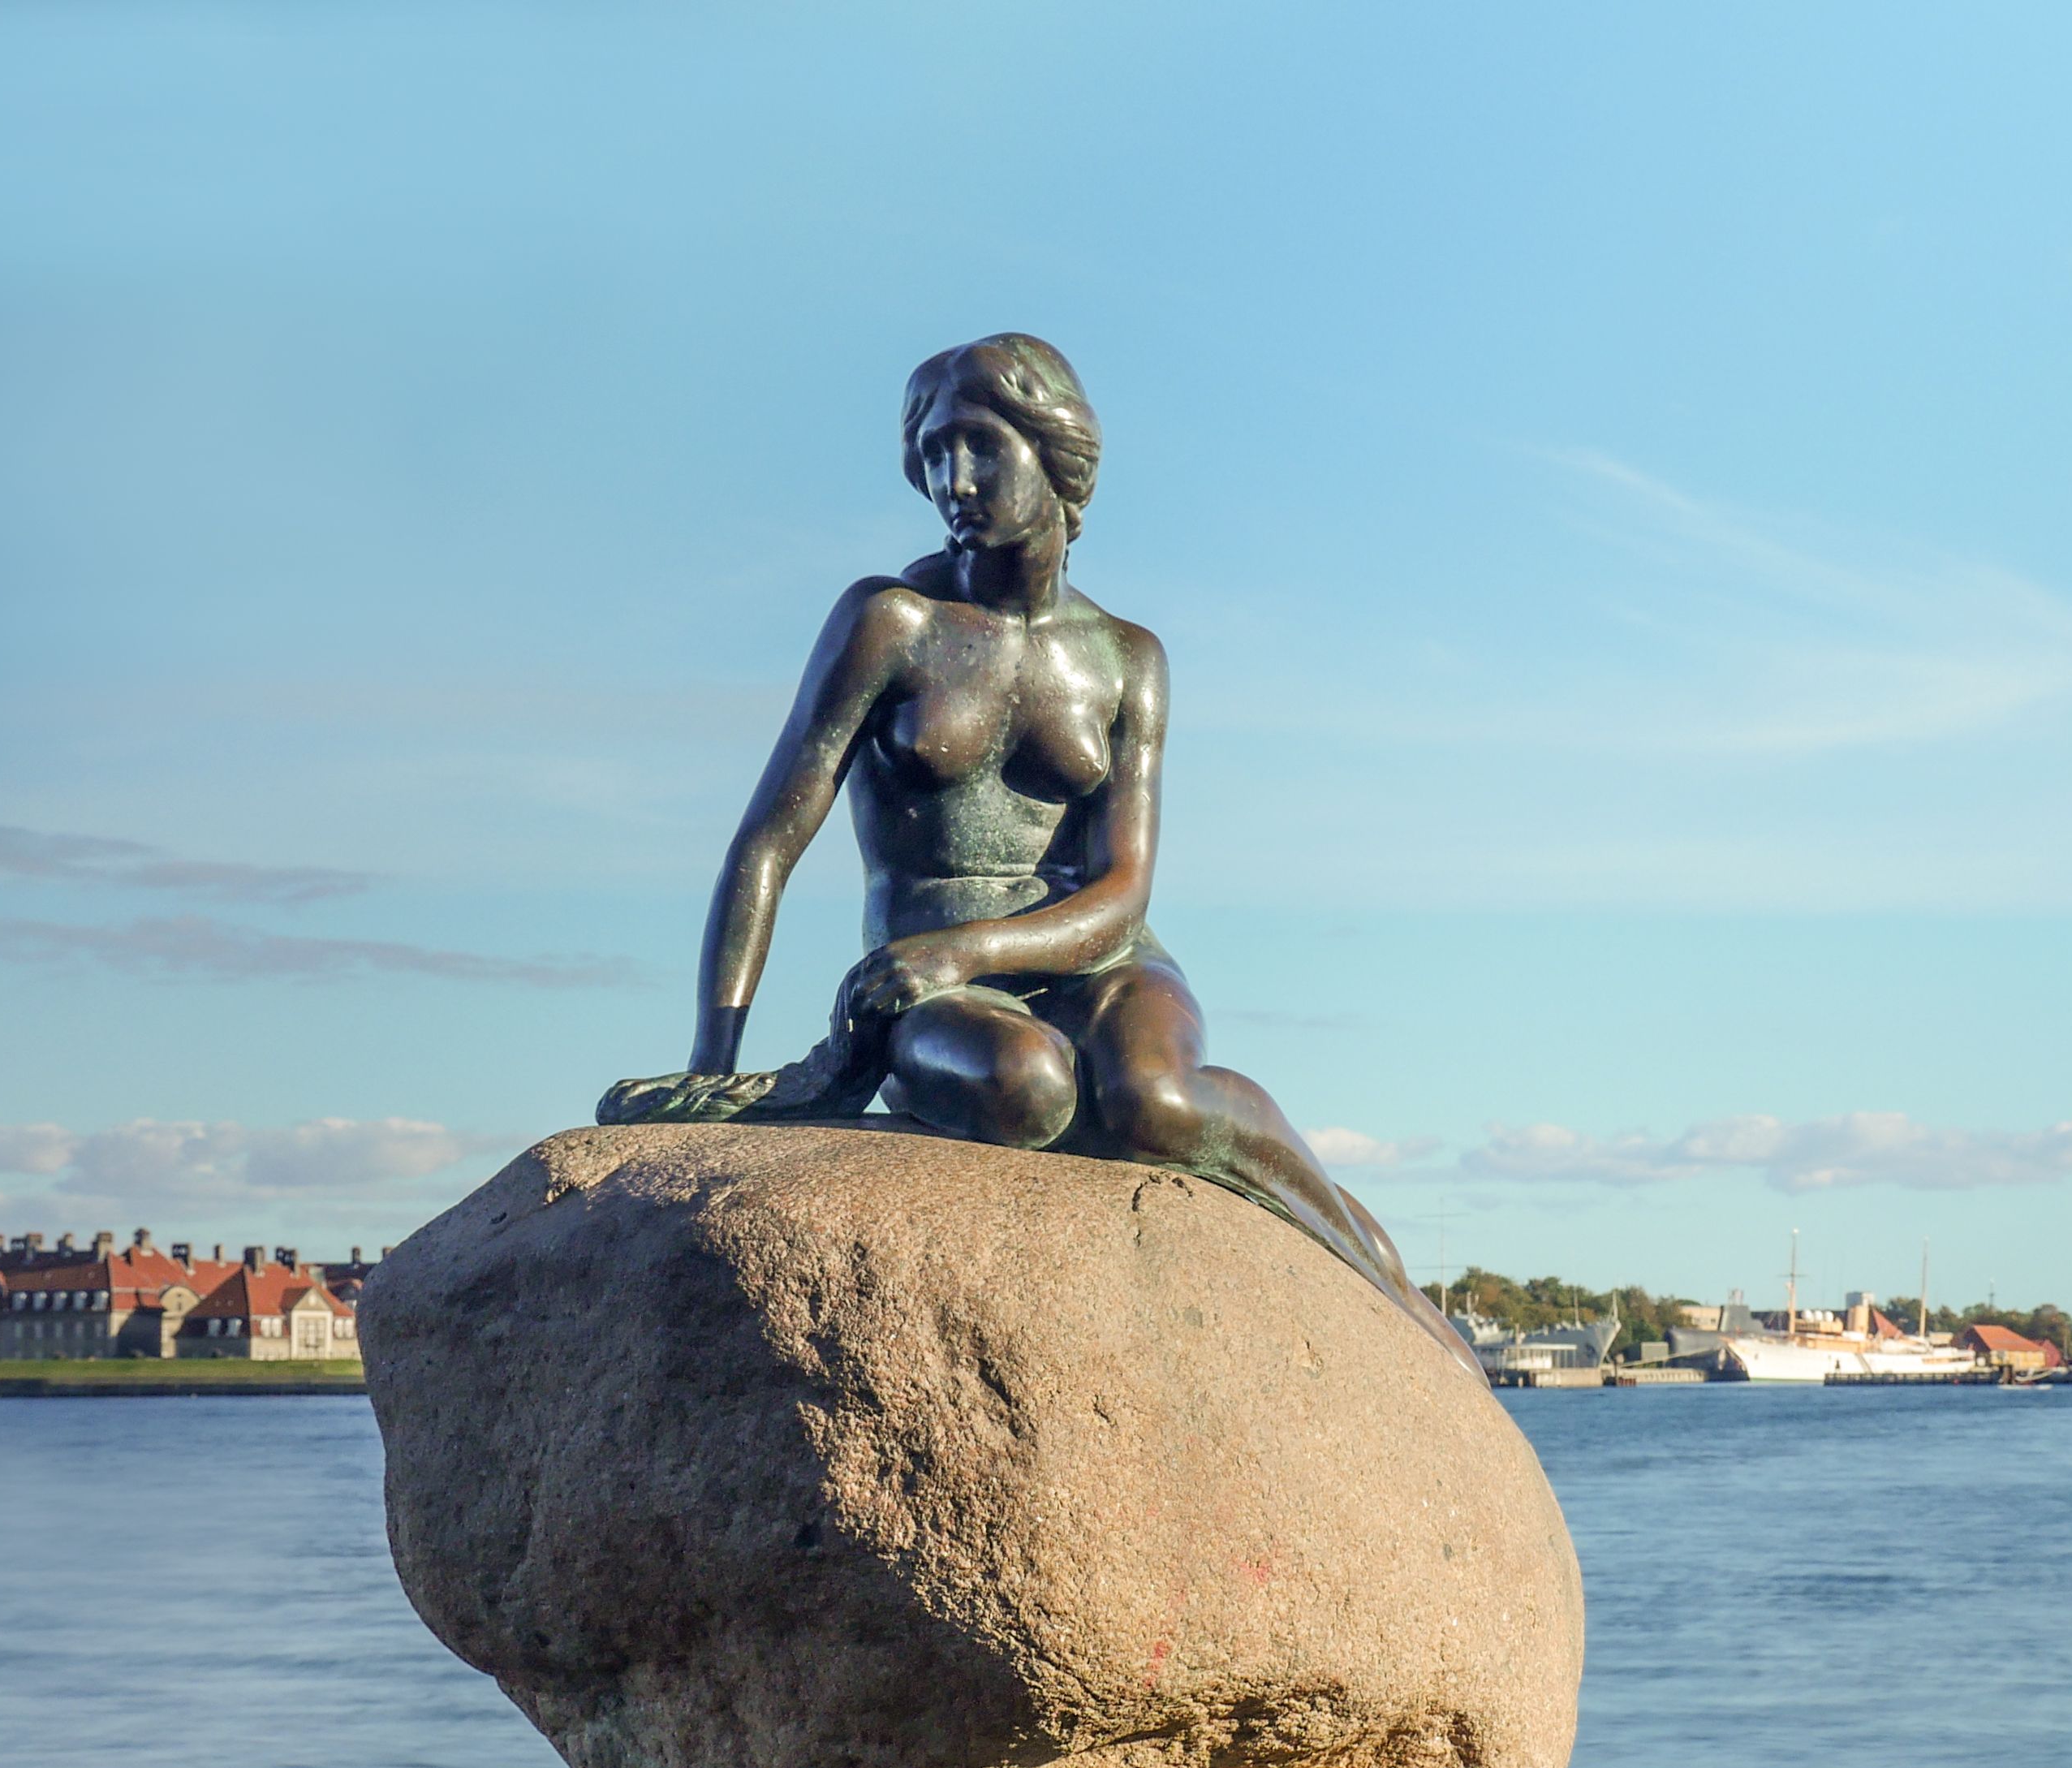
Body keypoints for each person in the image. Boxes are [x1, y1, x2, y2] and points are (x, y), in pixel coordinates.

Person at [601, 334, 1466, 1364]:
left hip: (1097, 957)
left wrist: (976, 951)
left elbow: (1125, 884)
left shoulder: (1126, 659)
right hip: (931, 987)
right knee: (1032, 1090)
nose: (951, 482)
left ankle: (1382, 1280)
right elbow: (767, 844)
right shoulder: (892, 622)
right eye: (933, 456)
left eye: (979, 448)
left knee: (1157, 1100)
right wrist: (715, 1070)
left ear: (1052, 451)